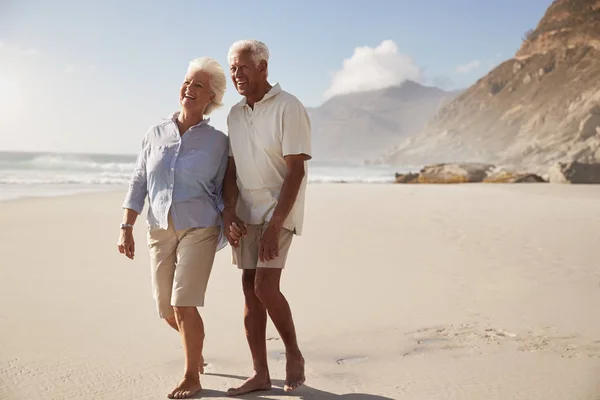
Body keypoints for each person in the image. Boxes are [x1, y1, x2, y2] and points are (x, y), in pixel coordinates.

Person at [117, 56, 229, 399]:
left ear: (211, 98)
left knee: (183, 303)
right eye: (187, 82)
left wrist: (233, 224)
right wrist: (126, 225)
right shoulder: (155, 134)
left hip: (200, 226)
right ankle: (196, 354)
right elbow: (140, 180)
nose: (189, 89)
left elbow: (227, 186)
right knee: (166, 308)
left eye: (199, 85)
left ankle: (192, 375)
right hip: (159, 227)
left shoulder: (218, 141)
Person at [222, 39, 312, 396]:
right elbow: (231, 168)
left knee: (264, 286)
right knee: (248, 289)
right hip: (246, 211)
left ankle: (293, 353)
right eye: (232, 69)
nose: (236, 74)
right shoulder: (234, 114)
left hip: (280, 209)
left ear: (263, 67)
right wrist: (229, 210)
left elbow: (296, 172)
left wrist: (276, 224)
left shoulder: (289, 107)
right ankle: (260, 372)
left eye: (243, 67)